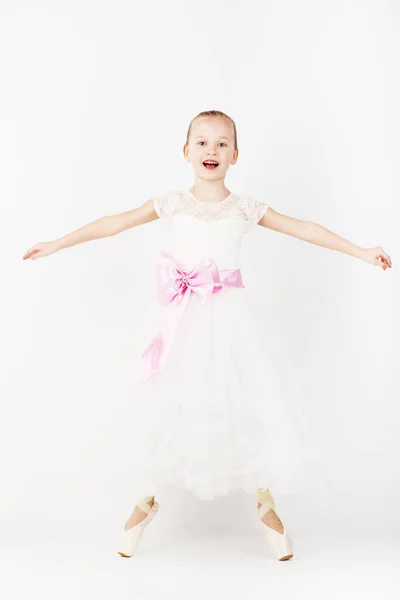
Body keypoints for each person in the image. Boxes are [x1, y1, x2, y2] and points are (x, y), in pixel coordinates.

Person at [22, 110, 392, 561]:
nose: (211, 150)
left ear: (235, 155)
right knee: (164, 402)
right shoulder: (172, 203)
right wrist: (58, 242)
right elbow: (114, 222)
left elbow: (304, 229)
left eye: (221, 143)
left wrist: (360, 251)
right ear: (186, 151)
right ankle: (146, 495)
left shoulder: (245, 208)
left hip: (231, 320)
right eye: (201, 142)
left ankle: (264, 496)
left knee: (246, 401)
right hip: (178, 319)